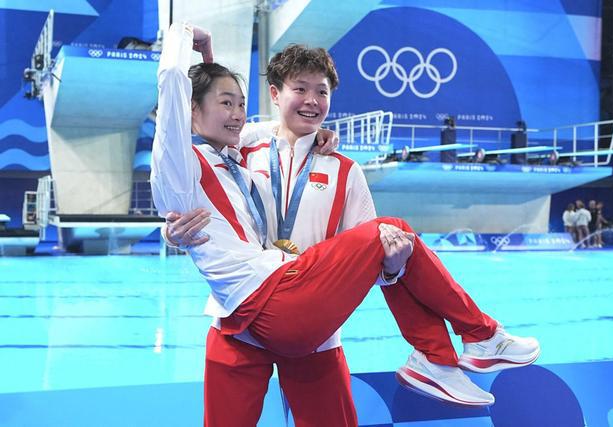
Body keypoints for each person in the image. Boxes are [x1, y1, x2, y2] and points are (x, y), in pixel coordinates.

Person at [151, 22, 540, 425]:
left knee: (389, 235)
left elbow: (370, 264)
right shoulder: (242, 148)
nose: (311, 101)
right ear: (275, 94)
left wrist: (392, 265)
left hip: (309, 316)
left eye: (322, 92)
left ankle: (451, 353)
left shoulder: (345, 171)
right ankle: (465, 344)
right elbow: (194, 133)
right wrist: (172, 230)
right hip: (240, 317)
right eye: (299, 89)